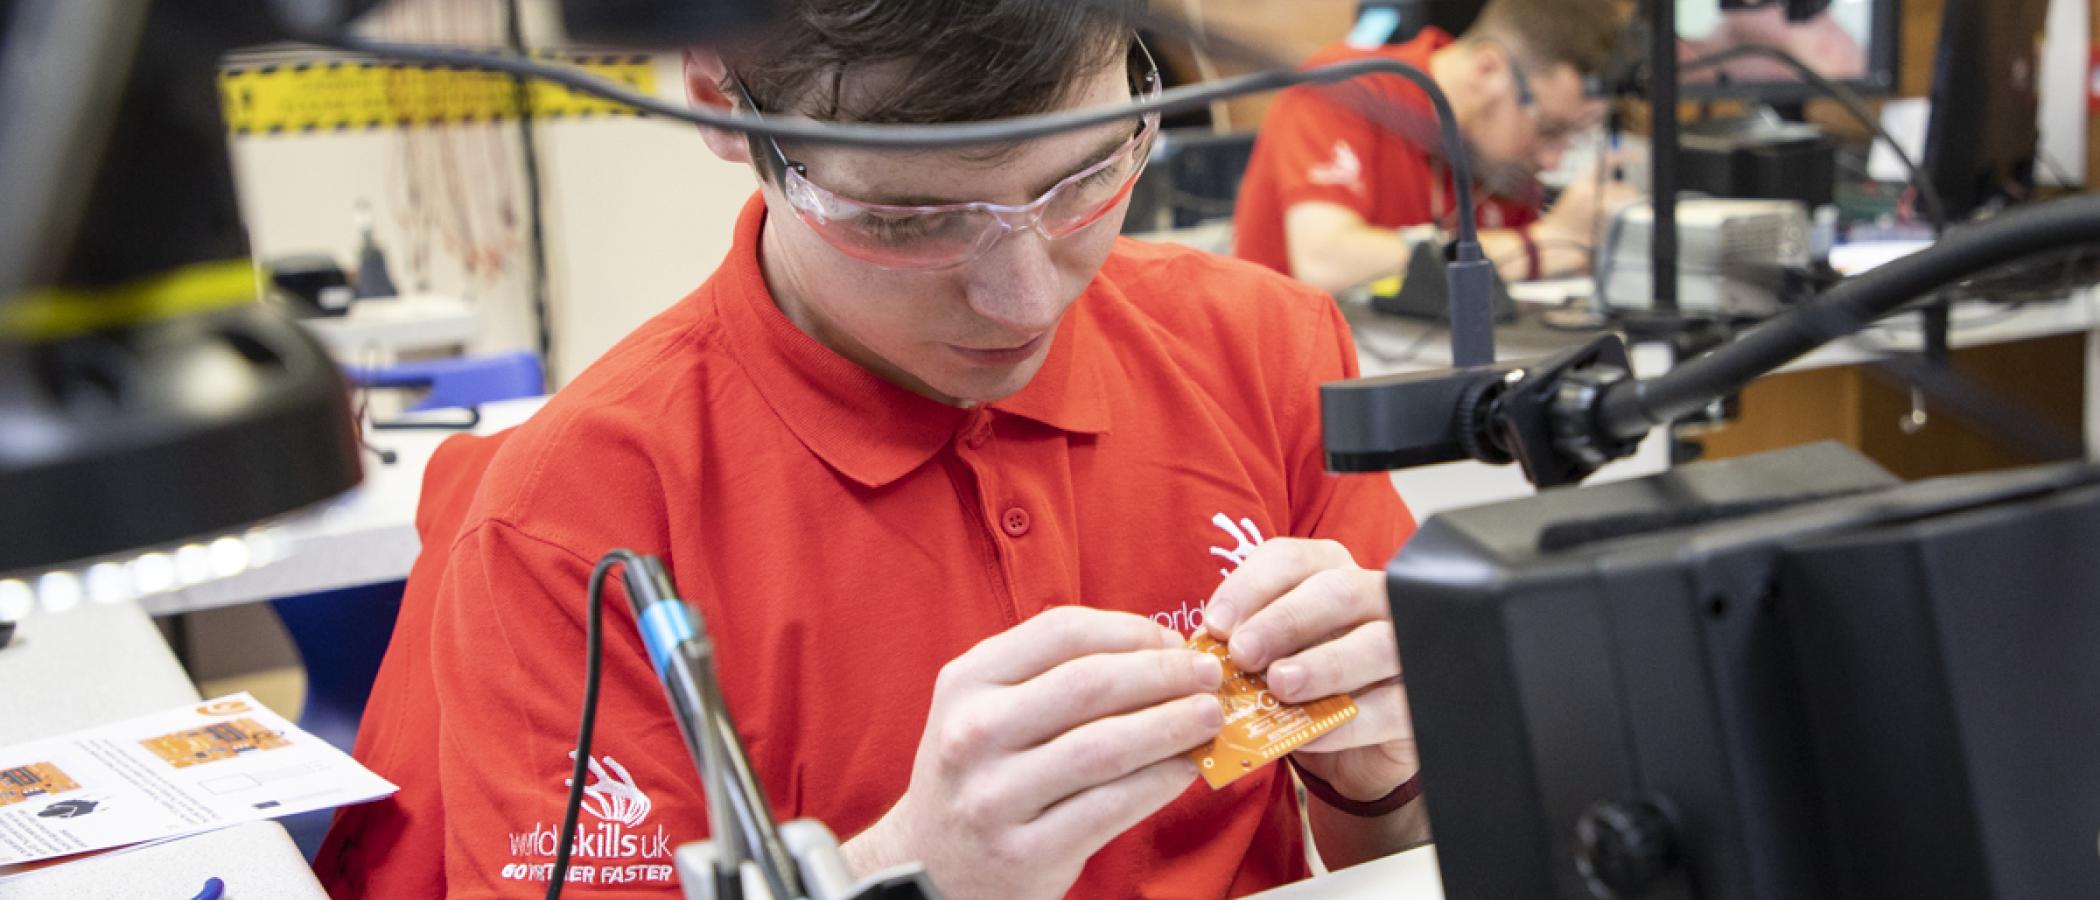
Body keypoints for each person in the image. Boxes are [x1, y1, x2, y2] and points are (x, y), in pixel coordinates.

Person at [315, 2, 1427, 897]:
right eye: (909, 221)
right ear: (718, 94)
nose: (1022, 299)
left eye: (1087, 178)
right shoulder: (576, 521)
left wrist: (1390, 778)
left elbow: (1420, 851)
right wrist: (903, 876)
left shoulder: (1266, 350)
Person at [1233, 0, 1638, 294]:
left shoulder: (1499, 154)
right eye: (1550, 129)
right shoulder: (1347, 86)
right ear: (1488, 70)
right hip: (1291, 385)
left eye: (1578, 135)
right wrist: (1539, 246)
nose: (1554, 158)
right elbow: (1326, 260)